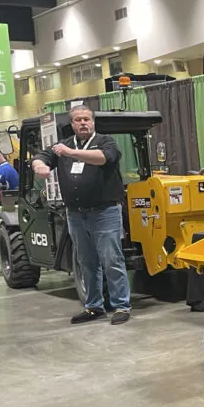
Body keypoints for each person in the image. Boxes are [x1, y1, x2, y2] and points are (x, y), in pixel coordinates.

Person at [31, 105, 131, 325]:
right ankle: (94, 306)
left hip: (105, 212)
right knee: (86, 261)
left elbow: (104, 158)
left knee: (111, 259)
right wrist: (39, 165)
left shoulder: (105, 142)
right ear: (72, 124)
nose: (83, 123)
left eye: (87, 119)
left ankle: (121, 306)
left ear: (93, 122)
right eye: (78, 120)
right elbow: (42, 156)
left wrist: (71, 154)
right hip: (76, 214)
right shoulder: (64, 145)